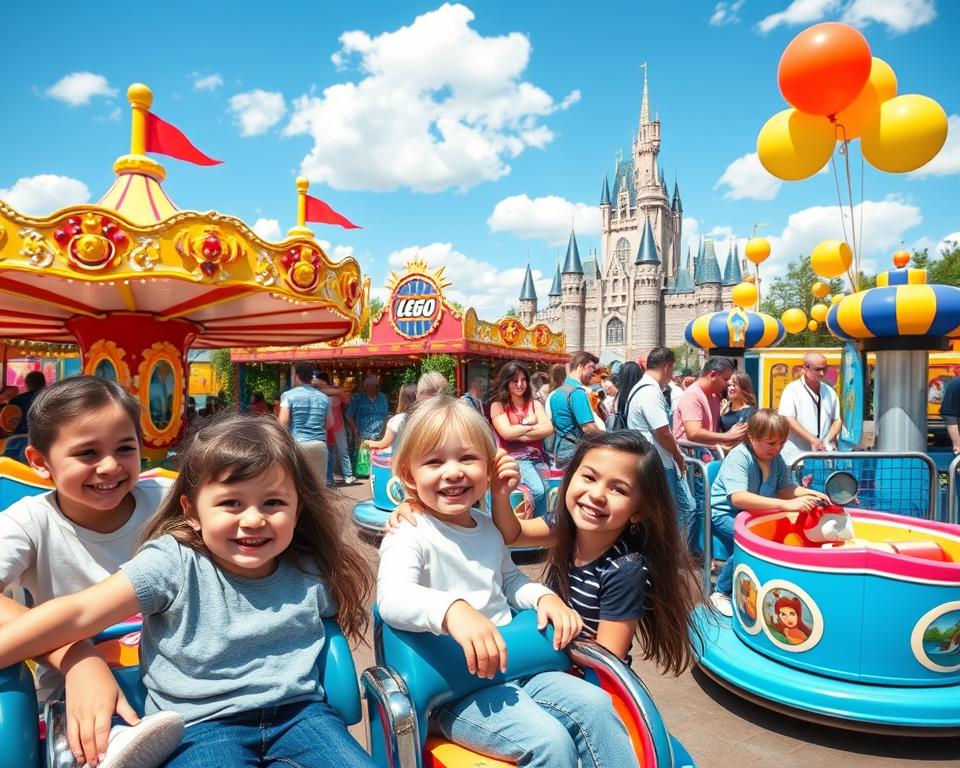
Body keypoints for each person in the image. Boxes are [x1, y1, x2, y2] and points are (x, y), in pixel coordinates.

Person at [0, 416, 376, 767]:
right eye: (231, 503)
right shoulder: (173, 562)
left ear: (297, 509)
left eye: (273, 503)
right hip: (201, 725)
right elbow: (80, 613)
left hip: (301, 716)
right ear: (192, 512)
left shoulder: (308, 568)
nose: (253, 519)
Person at [378, 397, 639, 768]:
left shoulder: (486, 528)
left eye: (467, 459)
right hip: (455, 690)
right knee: (550, 743)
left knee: (596, 705)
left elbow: (510, 580)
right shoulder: (409, 532)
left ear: (489, 469)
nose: (453, 472)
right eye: (434, 462)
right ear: (408, 475)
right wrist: (453, 611)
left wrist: (544, 598)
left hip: (515, 667)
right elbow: (392, 597)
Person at [0, 376, 180, 767]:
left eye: (125, 448)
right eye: (87, 453)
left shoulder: (168, 504)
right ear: (40, 462)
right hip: (79, 702)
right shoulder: (31, 521)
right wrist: (73, 653)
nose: (111, 466)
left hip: (181, 681)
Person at [707, 410, 829, 617]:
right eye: (771, 443)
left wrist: (811, 492)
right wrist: (786, 506)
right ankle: (721, 591)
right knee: (750, 543)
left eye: (781, 443)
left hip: (755, 515)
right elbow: (738, 498)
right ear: (752, 437)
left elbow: (786, 489)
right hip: (727, 514)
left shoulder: (776, 459)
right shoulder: (740, 456)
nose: (777, 448)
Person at [625, 346, 697, 539]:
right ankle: (671, 558)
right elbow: (663, 432)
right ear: (667, 367)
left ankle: (675, 557)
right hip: (659, 462)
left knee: (685, 508)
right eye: (672, 370)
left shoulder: (644, 389)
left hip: (659, 460)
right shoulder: (650, 391)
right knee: (671, 514)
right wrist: (678, 455)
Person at [489, 361, 553, 520]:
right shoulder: (498, 406)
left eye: (523, 380)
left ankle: (538, 532)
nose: (520, 384)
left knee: (545, 490)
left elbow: (548, 428)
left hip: (538, 457)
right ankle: (534, 530)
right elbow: (507, 434)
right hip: (514, 459)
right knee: (538, 491)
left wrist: (519, 430)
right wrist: (530, 424)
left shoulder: (534, 404)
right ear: (506, 382)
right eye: (515, 381)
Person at [777, 352, 841, 463]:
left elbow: (837, 420)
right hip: (797, 457)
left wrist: (827, 440)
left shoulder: (829, 391)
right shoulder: (792, 390)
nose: (822, 373)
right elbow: (788, 419)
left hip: (823, 456)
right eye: (817, 369)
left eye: (824, 369)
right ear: (805, 368)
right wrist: (812, 439)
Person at [673, 357, 746, 451]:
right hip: (693, 461)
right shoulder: (692, 395)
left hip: (707, 457)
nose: (727, 385)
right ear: (713, 375)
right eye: (726, 380)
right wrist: (727, 436)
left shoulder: (713, 396)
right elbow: (693, 433)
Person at [278, 363, 333, 484]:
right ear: (311, 378)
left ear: (296, 377)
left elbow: (282, 422)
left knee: (297, 485)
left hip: (297, 445)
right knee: (319, 487)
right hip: (319, 445)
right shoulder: (324, 397)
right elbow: (330, 424)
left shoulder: (288, 396)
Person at [547, 351, 601, 467]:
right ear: (580, 366)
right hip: (574, 451)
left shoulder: (557, 393)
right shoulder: (577, 393)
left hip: (561, 449)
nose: (593, 373)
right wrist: (608, 439)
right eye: (591, 367)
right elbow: (588, 427)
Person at [314, 371, 354, 486]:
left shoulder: (333, 391)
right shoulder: (318, 392)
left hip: (336, 426)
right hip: (325, 427)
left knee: (342, 451)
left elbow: (347, 402)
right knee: (327, 453)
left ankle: (347, 475)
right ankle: (329, 478)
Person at [364, 383, 417, 452]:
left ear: (403, 400)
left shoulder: (397, 420)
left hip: (400, 459)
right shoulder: (424, 417)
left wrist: (368, 443)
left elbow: (384, 444)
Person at [345, 375, 389, 448]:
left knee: (377, 457)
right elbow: (348, 414)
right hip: (362, 437)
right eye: (369, 386)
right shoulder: (358, 399)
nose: (372, 389)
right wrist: (354, 429)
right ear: (365, 387)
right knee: (363, 457)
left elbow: (386, 415)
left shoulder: (382, 397)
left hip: (380, 437)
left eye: (374, 386)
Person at [5, 370, 46, 437]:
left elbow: (8, 423)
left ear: (26, 385)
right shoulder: (51, 399)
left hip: (19, 437)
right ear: (44, 384)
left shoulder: (16, 400)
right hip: (43, 437)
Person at [940, 376, 960, 453]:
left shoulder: (956, 382)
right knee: (958, 446)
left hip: (951, 412)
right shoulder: (956, 383)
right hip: (951, 412)